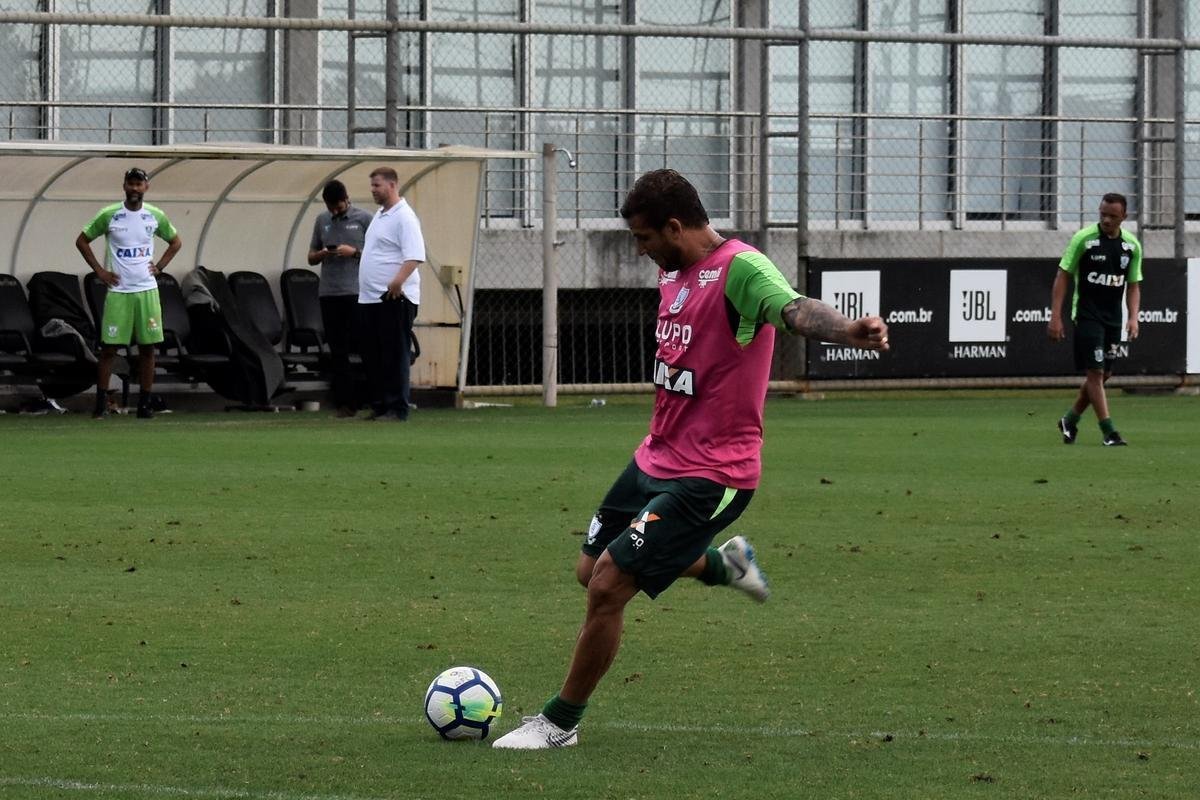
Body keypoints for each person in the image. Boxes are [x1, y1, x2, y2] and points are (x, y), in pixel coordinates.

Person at [492, 169, 890, 750]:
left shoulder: (742, 269)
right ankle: (723, 566)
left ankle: (560, 723)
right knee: (588, 568)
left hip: (713, 473)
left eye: (644, 238)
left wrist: (849, 329)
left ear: (675, 227)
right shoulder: (672, 270)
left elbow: (794, 309)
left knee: (607, 587)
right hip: (656, 455)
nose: (640, 250)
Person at [75, 167, 182, 419]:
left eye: (139, 184)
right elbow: (82, 240)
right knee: (109, 349)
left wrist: (160, 267)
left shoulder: (154, 215)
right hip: (119, 292)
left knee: (148, 348)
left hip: (147, 290)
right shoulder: (109, 214)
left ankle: (144, 405)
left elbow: (176, 241)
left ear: (146, 187)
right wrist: (100, 271)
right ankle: (101, 405)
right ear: (124, 186)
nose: (135, 188)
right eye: (131, 183)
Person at [1048, 192, 1142, 446]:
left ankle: (1069, 420)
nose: (1107, 220)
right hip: (1087, 316)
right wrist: (1055, 316)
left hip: (1113, 318)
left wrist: (1134, 317)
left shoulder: (1131, 245)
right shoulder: (1084, 239)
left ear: (1124, 217)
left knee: (1104, 374)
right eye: (1103, 214)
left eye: (1112, 216)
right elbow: (1063, 275)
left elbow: (1133, 285)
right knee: (1096, 373)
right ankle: (1109, 432)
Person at [357, 166, 424, 421]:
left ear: (392, 185)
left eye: (377, 185)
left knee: (395, 353)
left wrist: (397, 282)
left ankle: (398, 408)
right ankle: (381, 405)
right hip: (370, 298)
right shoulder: (380, 215)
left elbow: (414, 255)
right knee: (374, 354)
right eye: (372, 185)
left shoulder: (404, 217)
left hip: (393, 298)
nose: (373, 190)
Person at [307, 179, 373, 417]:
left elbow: (378, 255)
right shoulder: (322, 220)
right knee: (338, 350)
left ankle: (373, 398)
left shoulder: (364, 219)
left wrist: (354, 253)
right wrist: (323, 254)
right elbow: (310, 257)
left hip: (356, 292)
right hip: (329, 292)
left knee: (365, 345)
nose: (335, 212)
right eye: (330, 208)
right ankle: (345, 403)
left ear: (347, 200)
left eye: (339, 207)